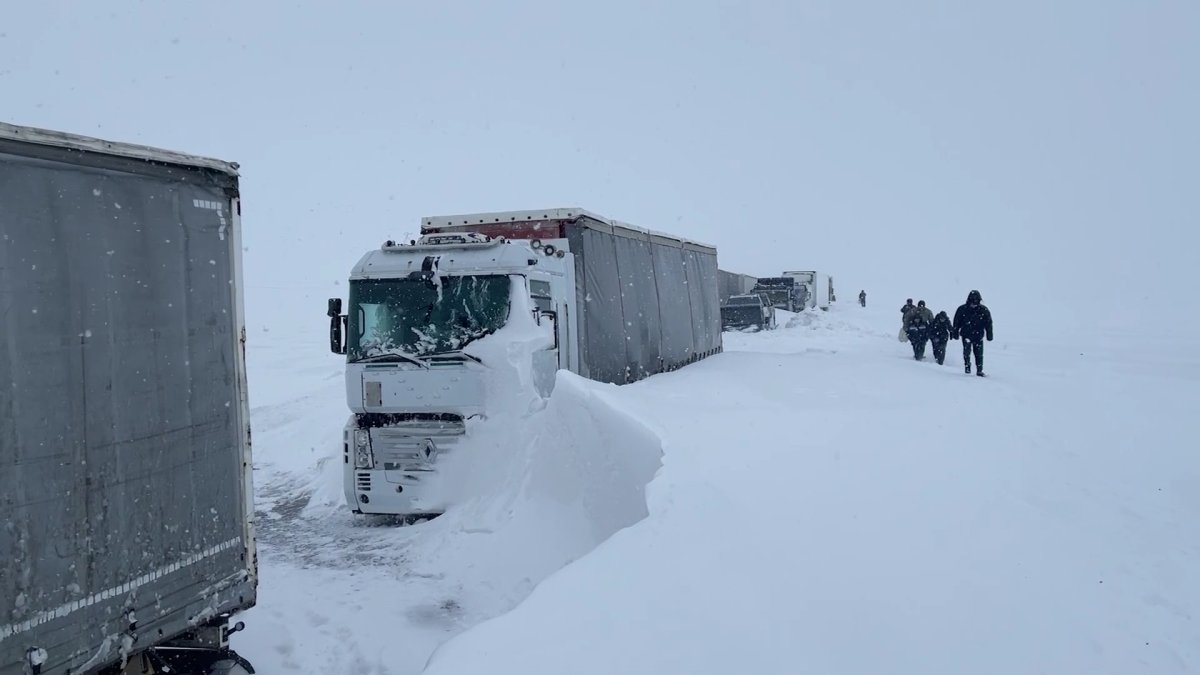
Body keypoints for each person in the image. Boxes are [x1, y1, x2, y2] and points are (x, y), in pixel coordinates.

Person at [952, 290, 993, 376]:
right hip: (966, 334)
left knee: (979, 353)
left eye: (976, 301)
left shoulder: (984, 310)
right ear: (969, 300)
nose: (974, 303)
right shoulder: (962, 309)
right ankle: (967, 366)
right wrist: (955, 332)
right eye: (972, 301)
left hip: (979, 335)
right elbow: (956, 322)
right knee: (966, 352)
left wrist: (989, 334)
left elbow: (988, 323)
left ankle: (979, 370)